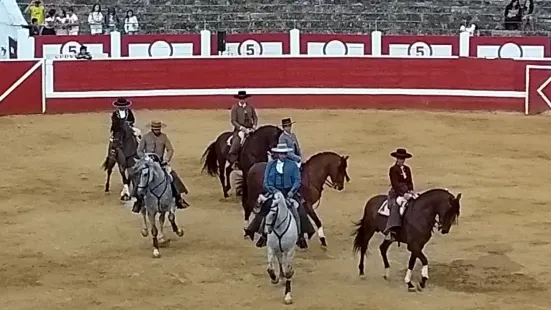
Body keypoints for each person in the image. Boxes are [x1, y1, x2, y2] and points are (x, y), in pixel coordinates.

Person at [132, 120, 189, 213]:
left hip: (160, 162)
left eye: (158, 129)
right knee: (140, 176)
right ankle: (138, 200)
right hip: (148, 162)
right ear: (152, 129)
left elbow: (170, 149)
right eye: (155, 129)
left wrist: (166, 159)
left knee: (172, 175)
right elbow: (139, 150)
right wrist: (145, 158)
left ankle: (178, 198)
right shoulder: (146, 137)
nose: (157, 130)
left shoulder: (164, 137)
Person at [262, 143, 307, 248]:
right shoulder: (270, 165)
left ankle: (300, 236)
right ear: (277, 154)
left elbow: (297, 181)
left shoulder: (293, 165)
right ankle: (264, 235)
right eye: (281, 154)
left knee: (299, 212)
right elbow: (266, 182)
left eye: (284, 153)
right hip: (275, 192)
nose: (283, 156)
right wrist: (274, 191)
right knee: (265, 210)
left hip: (289, 193)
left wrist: (291, 192)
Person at [383, 148, 417, 241]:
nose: (402, 160)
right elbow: (395, 184)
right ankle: (392, 230)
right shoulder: (393, 169)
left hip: (407, 191)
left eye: (403, 159)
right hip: (397, 193)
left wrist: (411, 190)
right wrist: (403, 193)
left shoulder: (407, 169)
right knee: (396, 206)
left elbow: (410, 181)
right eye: (400, 158)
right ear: (397, 159)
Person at [227, 90, 258, 169]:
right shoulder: (235, 108)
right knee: (237, 141)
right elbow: (233, 120)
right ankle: (233, 158)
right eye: (241, 98)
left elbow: (255, 117)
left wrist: (254, 125)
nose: (242, 100)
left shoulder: (250, 107)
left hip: (250, 128)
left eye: (244, 98)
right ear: (238, 99)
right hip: (240, 129)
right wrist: (241, 128)